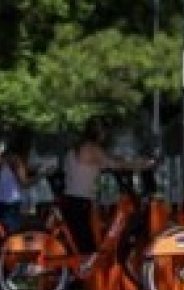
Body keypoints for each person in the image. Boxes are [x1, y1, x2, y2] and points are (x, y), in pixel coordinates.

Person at [61, 118, 153, 276]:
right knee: (88, 249)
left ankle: (85, 278)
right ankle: (91, 281)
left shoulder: (75, 148)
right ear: (99, 133)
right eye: (104, 132)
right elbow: (114, 164)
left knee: (81, 245)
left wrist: (124, 161)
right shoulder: (91, 148)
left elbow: (109, 161)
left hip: (70, 199)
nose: (106, 136)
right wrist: (143, 165)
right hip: (80, 202)